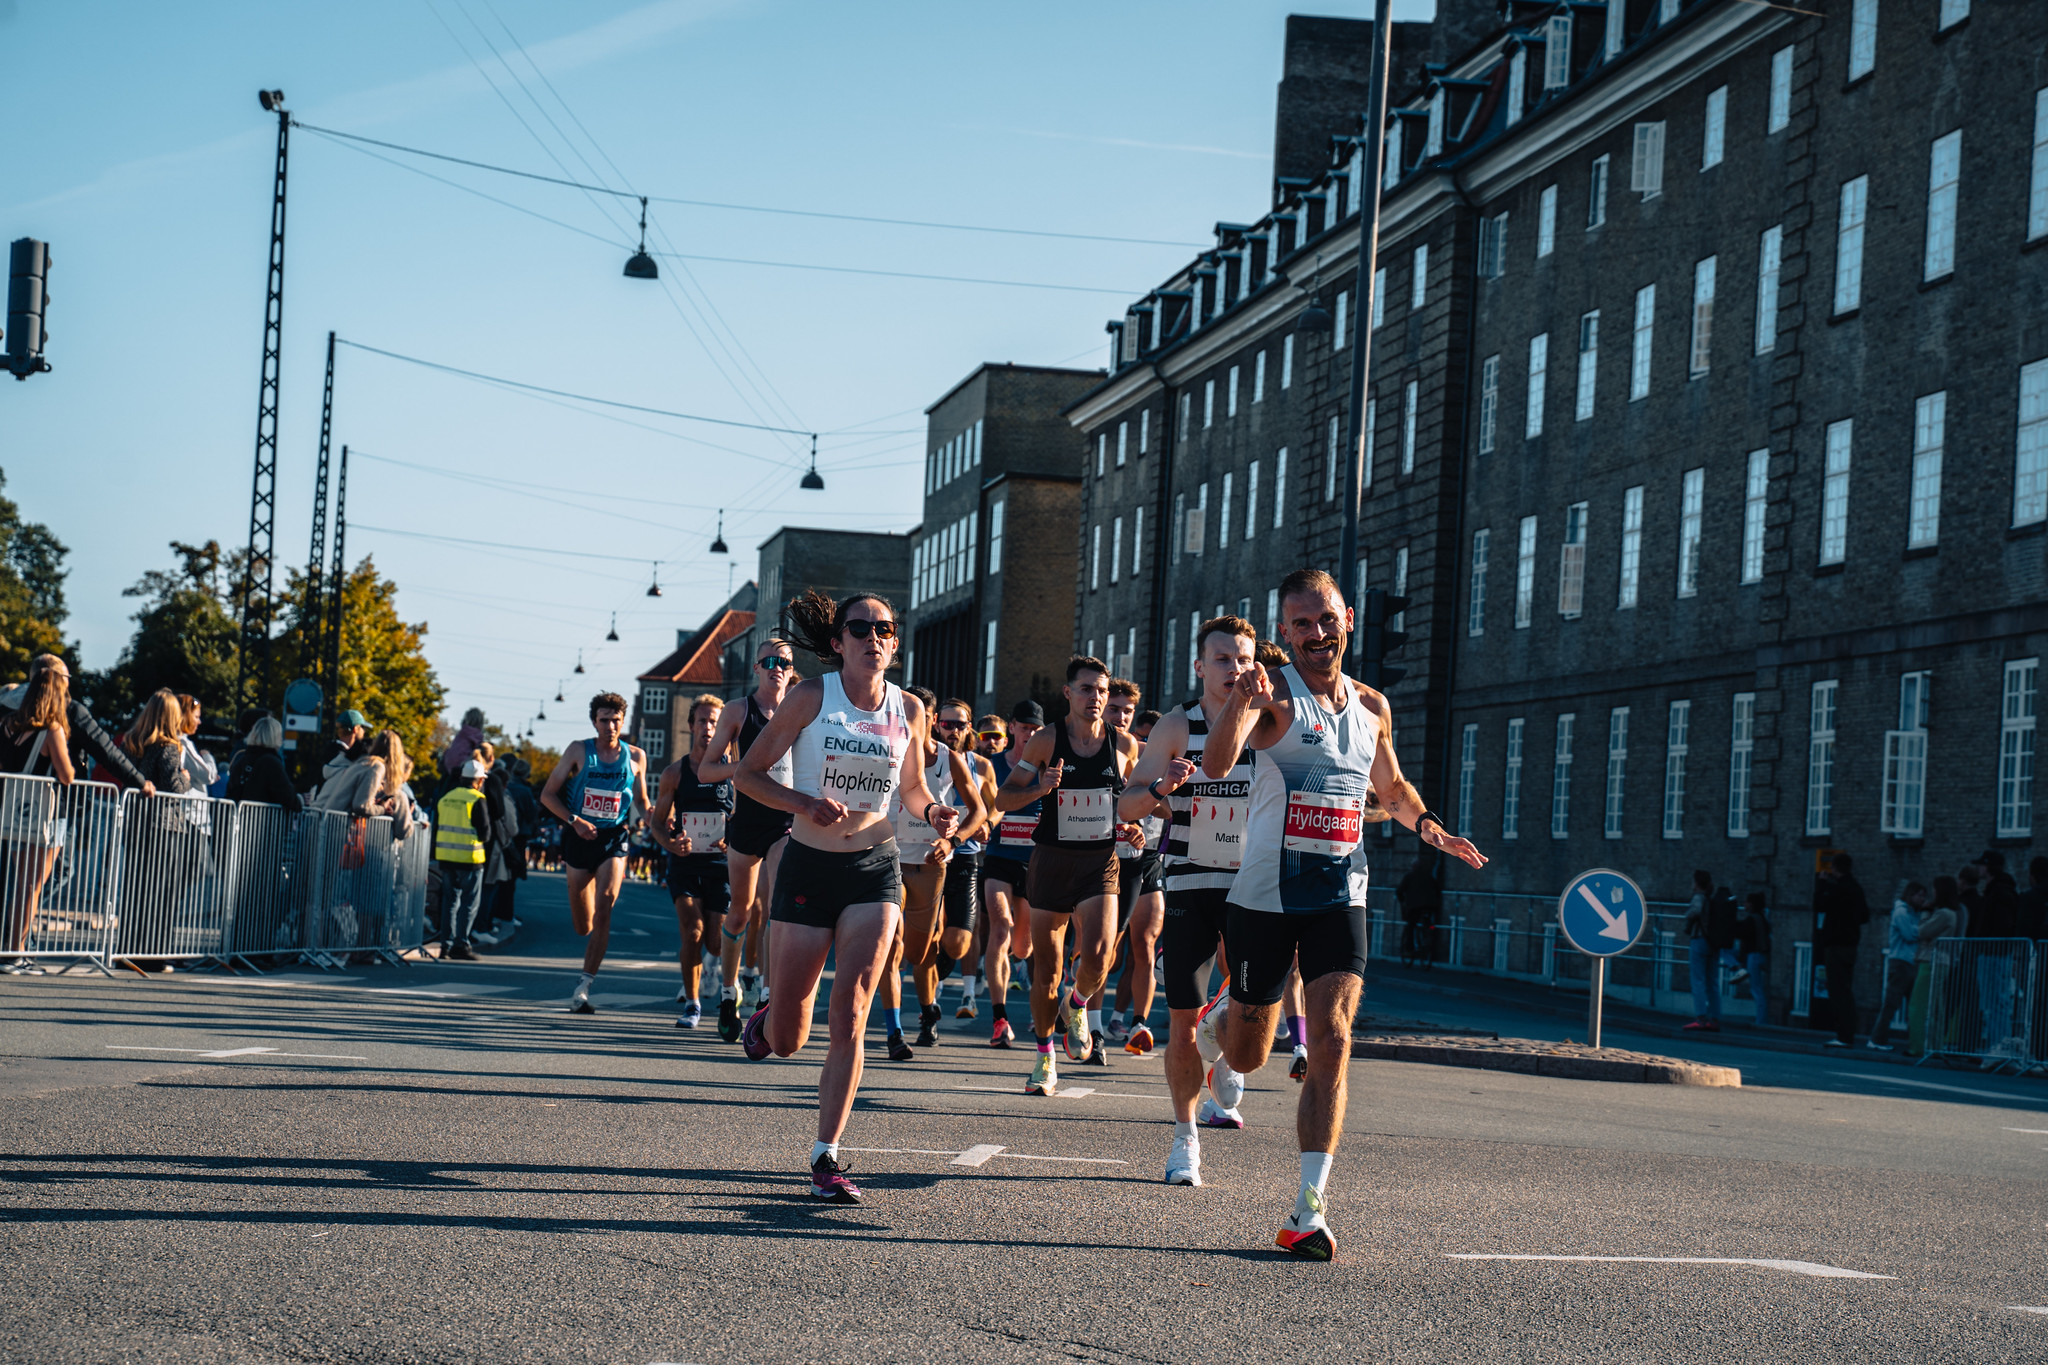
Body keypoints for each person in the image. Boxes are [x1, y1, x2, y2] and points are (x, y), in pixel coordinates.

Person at [1199, 569, 1486, 1260]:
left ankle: (1307, 1208)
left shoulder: (1372, 705)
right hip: (1264, 898)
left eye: (1325, 618)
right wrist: (1239, 703)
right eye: (1301, 624)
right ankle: (1223, 1020)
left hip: (1340, 892)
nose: (1317, 633)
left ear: (1348, 618)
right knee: (1248, 1052)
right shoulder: (1275, 702)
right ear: (1285, 633)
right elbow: (1214, 764)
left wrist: (1429, 827)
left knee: (1330, 1040)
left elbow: (1390, 783)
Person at [731, 589, 959, 1204]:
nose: (873, 638)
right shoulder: (812, 697)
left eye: (884, 629)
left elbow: (910, 789)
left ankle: (826, 1153)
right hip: (807, 865)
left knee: (852, 1014)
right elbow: (748, 775)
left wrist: (935, 811)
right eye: (859, 628)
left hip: (874, 867)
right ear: (838, 642)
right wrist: (803, 803)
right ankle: (770, 1016)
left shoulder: (909, 709)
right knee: (788, 1037)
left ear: (894, 641)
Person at [1120, 615, 1259, 1180]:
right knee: (1180, 1019)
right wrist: (1160, 787)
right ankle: (1185, 1139)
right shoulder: (1178, 726)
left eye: (1244, 660)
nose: (1235, 669)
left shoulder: (1270, 724)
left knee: (1252, 1009)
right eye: (1222, 659)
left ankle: (1226, 1035)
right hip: (1189, 879)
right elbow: (1125, 806)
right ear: (1200, 667)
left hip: (1253, 884)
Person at [994, 655, 1143, 1096]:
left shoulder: (1125, 746)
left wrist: (1132, 821)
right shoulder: (1044, 741)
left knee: (1100, 955)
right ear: (1068, 693)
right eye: (1086, 689)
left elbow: (1133, 798)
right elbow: (1003, 799)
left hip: (1100, 862)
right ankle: (1044, 1057)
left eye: (1101, 689)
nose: (1095, 697)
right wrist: (1042, 787)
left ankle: (1076, 1005)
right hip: (1051, 861)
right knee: (1047, 969)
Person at [698, 639, 798, 1040]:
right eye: (770, 661)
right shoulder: (739, 711)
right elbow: (706, 770)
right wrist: (746, 768)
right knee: (738, 912)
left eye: (785, 662)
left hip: (785, 819)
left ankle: (768, 997)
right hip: (746, 822)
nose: (777, 667)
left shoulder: (802, 709)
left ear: (792, 670)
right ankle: (727, 992)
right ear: (757, 668)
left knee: (776, 907)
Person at [539, 692, 662, 1013]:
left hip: (614, 838)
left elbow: (642, 801)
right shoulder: (579, 750)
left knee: (605, 908)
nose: (610, 726)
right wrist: (574, 820)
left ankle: (584, 985)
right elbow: (548, 795)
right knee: (583, 924)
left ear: (623, 721)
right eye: (604, 720)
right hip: (579, 836)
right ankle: (587, 938)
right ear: (594, 722)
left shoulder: (636, 756)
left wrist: (655, 817)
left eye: (616, 720)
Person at [879, 686, 984, 1058]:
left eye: (917, 717)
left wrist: (952, 842)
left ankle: (927, 1009)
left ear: (929, 720)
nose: (910, 724)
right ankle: (894, 1032)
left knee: (921, 952)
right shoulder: (886, 751)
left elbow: (979, 812)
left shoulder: (948, 759)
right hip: (887, 860)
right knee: (891, 948)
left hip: (929, 863)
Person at [651, 693, 731, 1028]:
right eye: (702, 721)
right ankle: (693, 1003)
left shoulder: (735, 772)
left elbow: (749, 817)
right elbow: (657, 822)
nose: (708, 728)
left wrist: (734, 838)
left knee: (715, 939)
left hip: (722, 866)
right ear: (690, 726)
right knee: (692, 930)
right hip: (684, 863)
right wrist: (670, 842)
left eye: (715, 722)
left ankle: (713, 966)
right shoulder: (674, 773)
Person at [0, 655, 78, 973]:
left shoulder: (6, 725)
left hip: (12, 811)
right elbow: (66, 775)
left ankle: (12, 948)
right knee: (31, 887)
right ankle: (15, 951)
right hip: (45, 816)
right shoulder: (52, 729)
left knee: (19, 884)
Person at [923, 698, 994, 1034]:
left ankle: (945, 964)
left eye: (959, 725)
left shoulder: (980, 765)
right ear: (937, 724)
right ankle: (929, 1007)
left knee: (957, 942)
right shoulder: (924, 757)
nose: (952, 731)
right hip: (927, 854)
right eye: (947, 724)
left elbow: (994, 805)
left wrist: (987, 824)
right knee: (930, 934)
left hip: (964, 854)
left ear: (969, 728)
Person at [978, 710, 1041, 1049]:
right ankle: (999, 1017)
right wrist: (986, 822)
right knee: (1000, 927)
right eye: (1024, 727)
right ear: (1012, 728)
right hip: (1000, 859)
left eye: (1036, 728)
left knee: (1023, 946)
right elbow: (988, 804)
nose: (1029, 734)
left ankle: (1024, 984)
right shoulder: (995, 765)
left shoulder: (1048, 766)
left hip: (1033, 864)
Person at [1107, 705, 1166, 1054]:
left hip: (1151, 858)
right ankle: (1090, 1015)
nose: (1146, 743)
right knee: (1107, 951)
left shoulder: (1163, 758)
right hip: (1110, 860)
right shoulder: (1106, 753)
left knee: (1144, 944)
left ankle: (1137, 1023)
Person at [433, 759, 493, 959]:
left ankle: (445, 946)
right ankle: (461, 945)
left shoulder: (446, 797)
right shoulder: (477, 799)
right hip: (470, 858)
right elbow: (485, 833)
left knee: (449, 902)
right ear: (477, 781)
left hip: (447, 858)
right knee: (469, 903)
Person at [1812, 852, 1868, 1048]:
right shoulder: (1856, 888)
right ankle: (1848, 1032)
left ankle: (1843, 1035)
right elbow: (1865, 916)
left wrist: (1822, 885)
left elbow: (1819, 905)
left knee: (1837, 991)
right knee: (1846, 989)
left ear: (1835, 868)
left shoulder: (1836, 889)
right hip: (1851, 944)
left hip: (1835, 944)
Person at [1869, 882, 1927, 1051]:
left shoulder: (1916, 913)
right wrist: (1925, 931)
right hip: (1900, 961)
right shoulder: (1901, 912)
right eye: (1919, 895)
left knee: (1913, 1004)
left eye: (1924, 895)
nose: (1922, 899)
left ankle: (1915, 1042)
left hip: (1912, 961)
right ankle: (1877, 1039)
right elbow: (1909, 934)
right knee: (1891, 1003)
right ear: (1910, 895)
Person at [1907, 875, 1960, 1057]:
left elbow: (1922, 931)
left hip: (1931, 960)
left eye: (1935, 889)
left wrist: (1924, 912)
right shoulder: (1952, 913)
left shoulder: (1943, 913)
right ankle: (1935, 1045)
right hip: (1942, 961)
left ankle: (1918, 1046)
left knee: (1918, 1004)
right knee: (1936, 1006)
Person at [1680, 871, 1729, 1032]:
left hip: (1699, 940)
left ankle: (1701, 1018)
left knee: (1698, 980)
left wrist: (1686, 916)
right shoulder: (1712, 898)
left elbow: (1695, 911)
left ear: (1696, 883)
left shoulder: (1699, 897)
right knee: (1713, 982)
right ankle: (1715, 1018)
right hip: (1713, 943)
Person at [224, 717, 302, 810]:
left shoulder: (242, 759)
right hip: (263, 822)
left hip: (240, 819)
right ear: (273, 737)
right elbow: (288, 798)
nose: (282, 739)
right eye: (280, 735)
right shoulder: (272, 763)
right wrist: (300, 800)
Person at [1396, 850, 1444, 969]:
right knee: (1428, 923)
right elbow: (1438, 890)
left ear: (1413, 866)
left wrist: (1403, 901)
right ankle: (1427, 940)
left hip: (1415, 907)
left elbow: (1399, 891)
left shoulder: (1409, 876)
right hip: (1430, 906)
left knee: (1411, 926)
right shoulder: (1429, 876)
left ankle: (1410, 948)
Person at [1731, 889, 1771, 1028]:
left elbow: (1741, 932)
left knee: (1756, 989)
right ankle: (1738, 968)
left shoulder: (1752, 919)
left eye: (1746, 902)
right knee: (1758, 989)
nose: (1744, 905)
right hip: (1759, 956)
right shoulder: (1761, 918)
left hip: (1753, 956)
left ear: (1752, 904)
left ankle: (1761, 1022)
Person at [323, 708, 370, 784]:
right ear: (355, 729)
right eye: (362, 727)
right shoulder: (344, 757)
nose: (364, 731)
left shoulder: (330, 749)